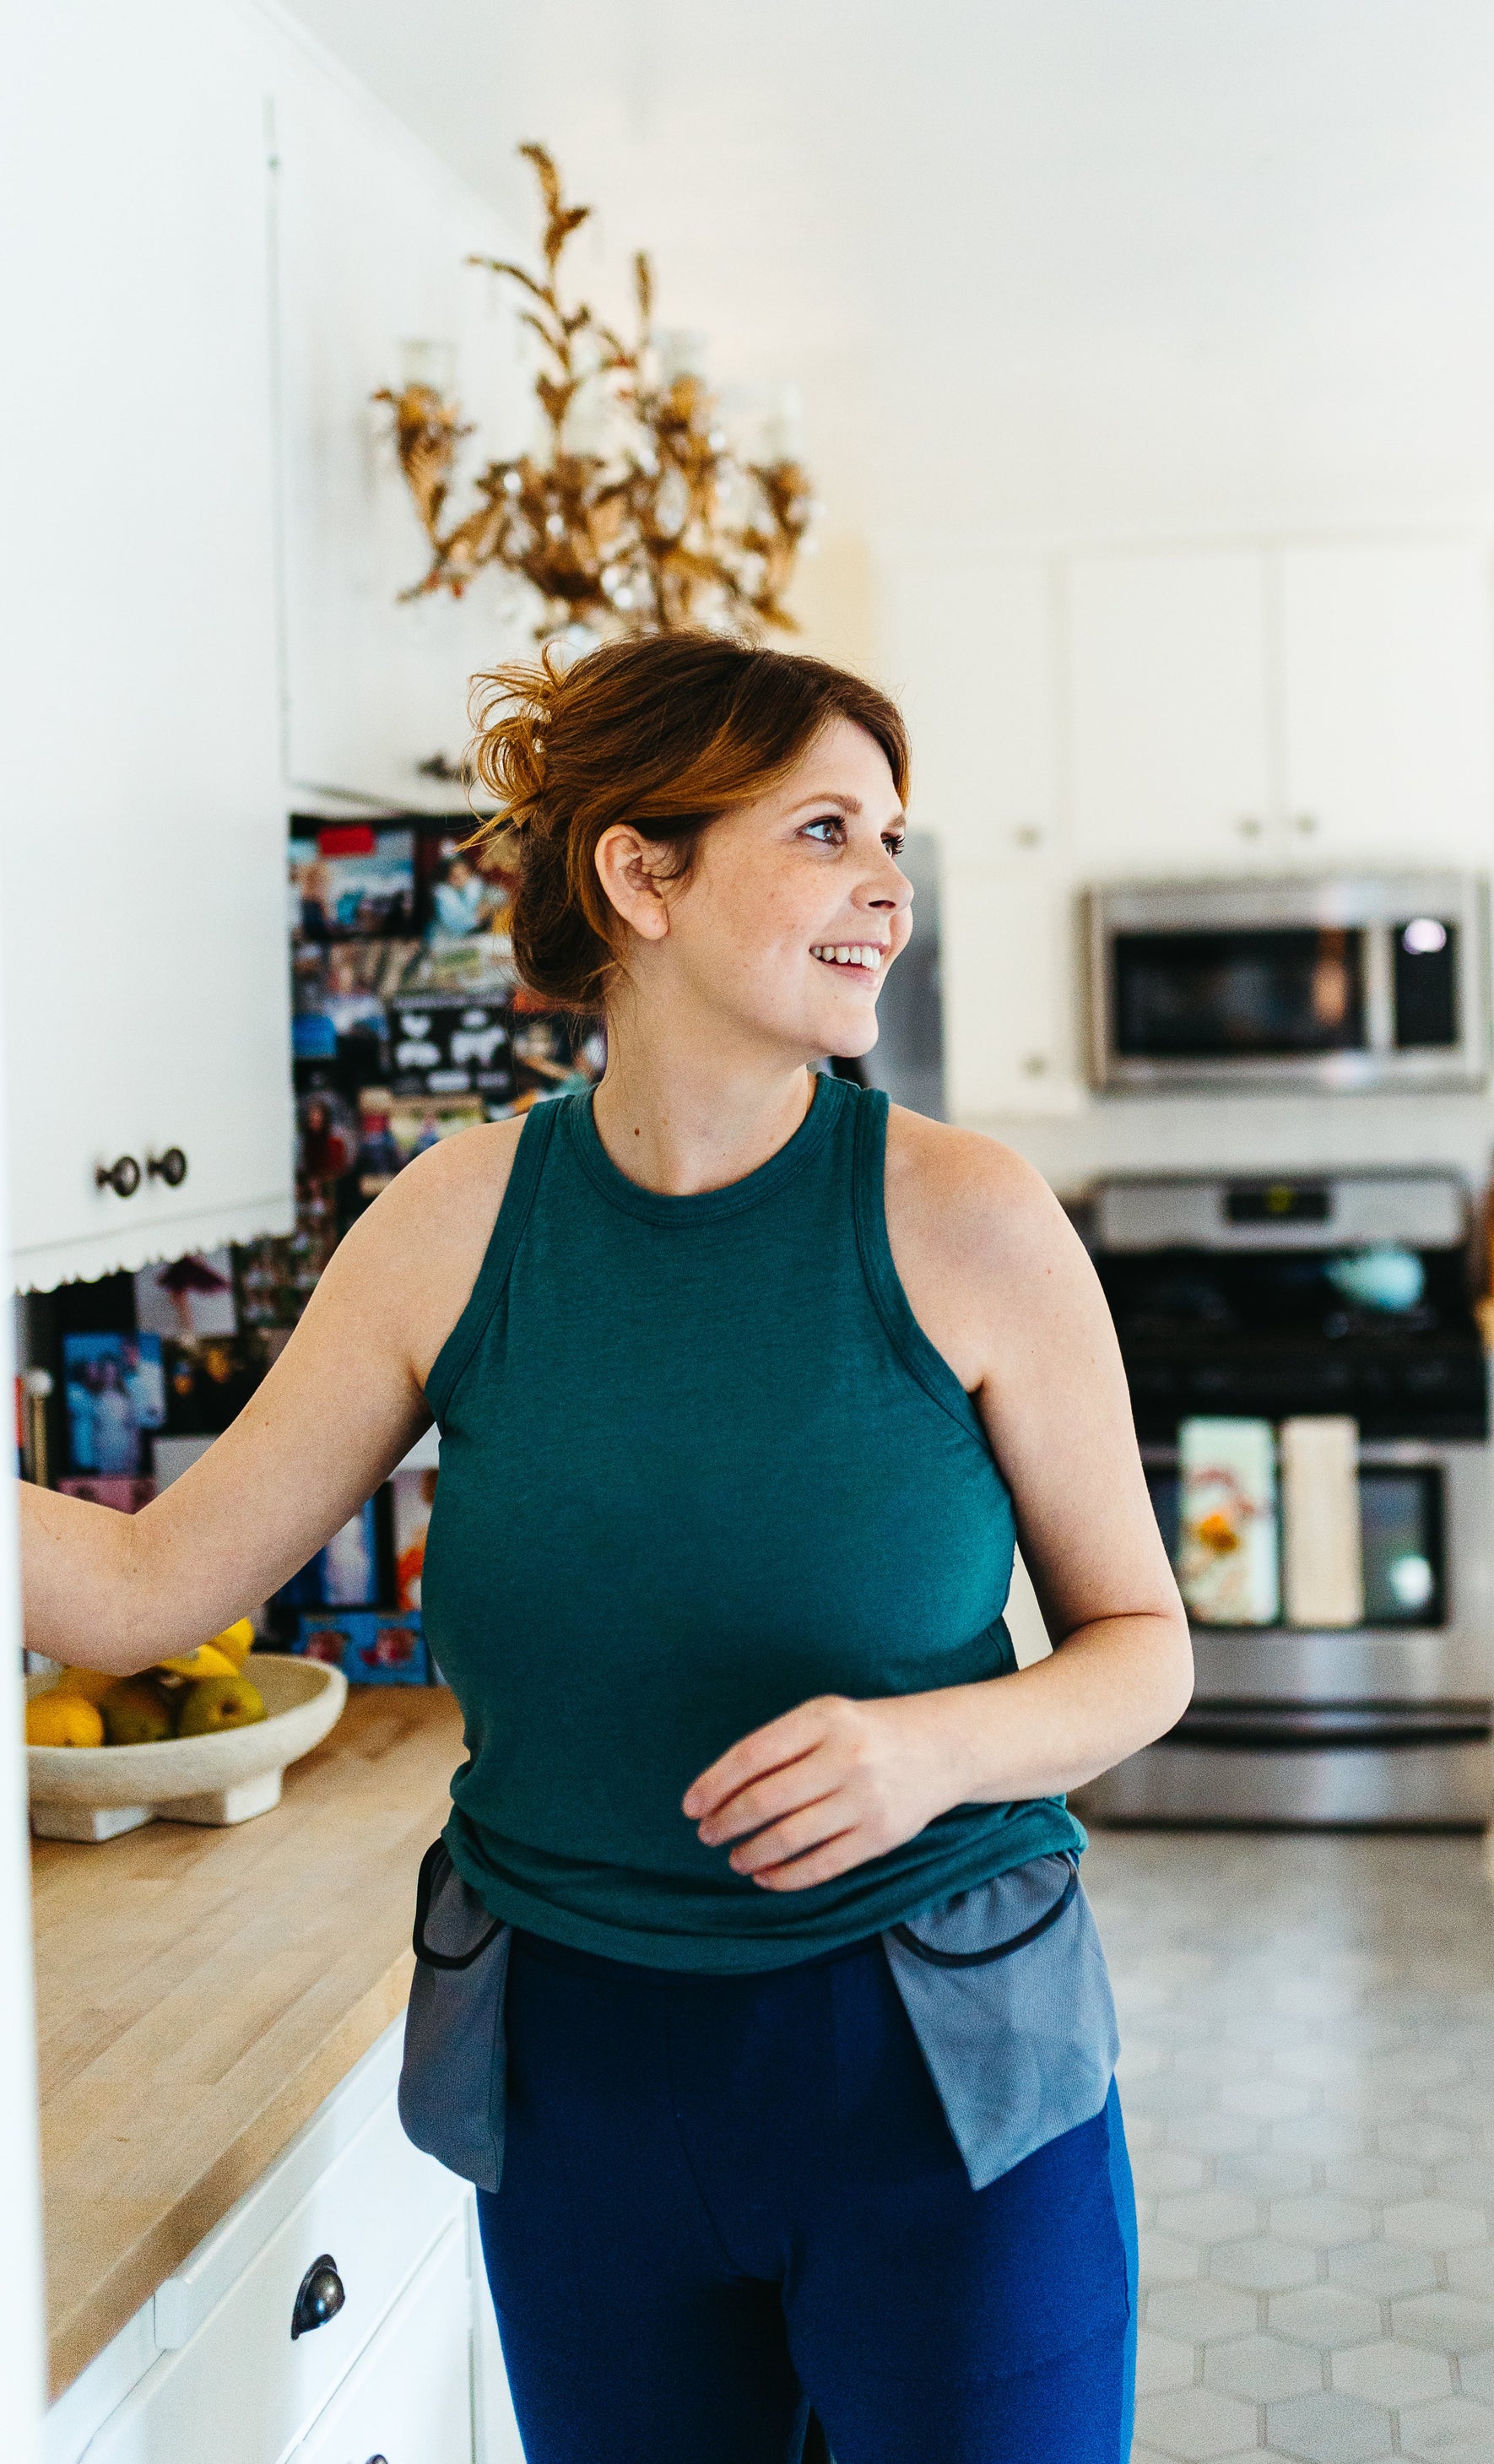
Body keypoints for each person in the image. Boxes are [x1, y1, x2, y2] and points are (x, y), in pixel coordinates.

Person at [19, 633, 1192, 2464]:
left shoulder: (966, 1219)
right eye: (823, 830)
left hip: (936, 2079)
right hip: (576, 2088)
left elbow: (1143, 1639)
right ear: (639, 873)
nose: (889, 887)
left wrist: (925, 1748)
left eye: (893, 834)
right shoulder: (456, 1223)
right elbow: (140, 1585)